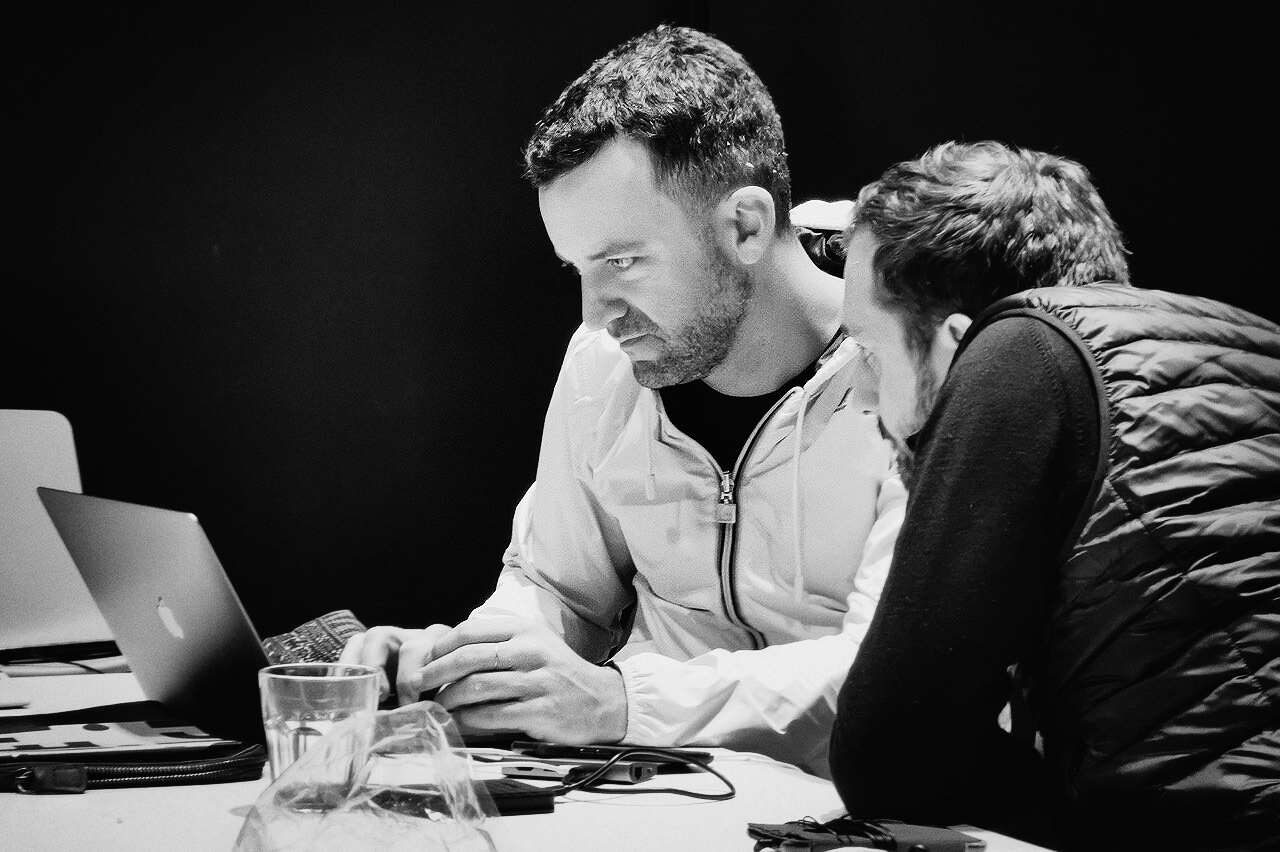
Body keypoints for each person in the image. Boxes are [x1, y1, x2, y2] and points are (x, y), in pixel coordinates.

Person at [342, 25, 903, 776]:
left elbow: (887, 674)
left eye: (624, 261)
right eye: (577, 267)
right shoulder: (605, 364)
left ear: (744, 225)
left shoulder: (911, 373)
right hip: (643, 798)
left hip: (849, 815)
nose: (595, 312)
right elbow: (555, 590)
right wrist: (465, 665)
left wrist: (620, 703)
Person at [828, 140, 1280, 850]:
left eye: (869, 349)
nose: (858, 392)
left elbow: (889, 752)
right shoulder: (1245, 345)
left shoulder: (1021, 353)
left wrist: (1077, 813)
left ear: (955, 342)